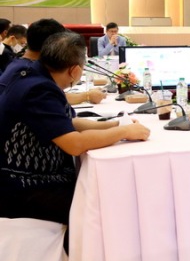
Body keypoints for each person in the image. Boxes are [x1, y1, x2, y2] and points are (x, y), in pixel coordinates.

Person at [0, 32, 150, 243]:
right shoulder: (39, 90)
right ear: (75, 70)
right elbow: (75, 145)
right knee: (103, 207)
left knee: (102, 191)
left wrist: (116, 124)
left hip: (26, 178)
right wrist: (124, 133)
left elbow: (66, 123)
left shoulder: (36, 76)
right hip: (21, 187)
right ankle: (83, 260)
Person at [3, 19, 107, 105]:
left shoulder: (22, 64)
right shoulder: (30, 73)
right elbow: (51, 98)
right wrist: (87, 96)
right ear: (52, 45)